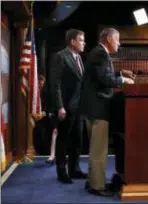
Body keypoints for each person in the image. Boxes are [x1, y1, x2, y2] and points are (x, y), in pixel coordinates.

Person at [79, 27, 135, 196]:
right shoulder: (100, 54)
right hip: (99, 108)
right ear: (109, 38)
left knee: (95, 148)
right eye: (117, 39)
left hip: (93, 108)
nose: (119, 43)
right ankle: (97, 186)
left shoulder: (98, 53)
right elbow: (104, 78)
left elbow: (100, 74)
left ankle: (93, 180)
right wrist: (123, 80)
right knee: (99, 150)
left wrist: (119, 72)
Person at [50, 29, 87, 184]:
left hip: (79, 107)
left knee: (77, 140)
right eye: (81, 40)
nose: (84, 43)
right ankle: (61, 172)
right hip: (66, 107)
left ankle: (74, 169)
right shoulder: (61, 56)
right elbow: (55, 84)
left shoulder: (78, 57)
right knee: (63, 140)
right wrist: (60, 107)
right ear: (73, 41)